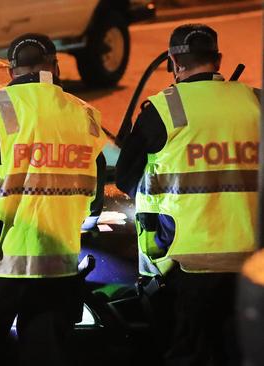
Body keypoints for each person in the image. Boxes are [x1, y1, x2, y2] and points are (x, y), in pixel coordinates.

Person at [0, 33, 106, 366]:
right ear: (54, 67)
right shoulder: (83, 114)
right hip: (56, 267)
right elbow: (94, 201)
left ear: (11, 70)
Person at [116, 24, 260, 365]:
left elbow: (125, 177)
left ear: (174, 63)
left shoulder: (163, 109)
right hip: (253, 263)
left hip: (189, 263)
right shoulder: (255, 101)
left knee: (192, 353)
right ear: (218, 60)